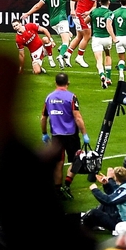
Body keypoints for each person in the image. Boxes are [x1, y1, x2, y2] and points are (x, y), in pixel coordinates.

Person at [41, 72, 91, 200]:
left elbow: (43, 117)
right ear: (67, 83)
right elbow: (77, 117)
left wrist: (44, 133)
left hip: (56, 135)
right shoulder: (71, 97)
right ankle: (67, 185)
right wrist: (85, 134)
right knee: (76, 159)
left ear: (55, 82)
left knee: (58, 163)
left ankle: (57, 190)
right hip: (71, 135)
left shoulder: (49, 98)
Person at [21, 0, 73, 68]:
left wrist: (27, 14)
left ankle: (61, 48)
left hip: (52, 22)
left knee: (69, 35)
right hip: (61, 19)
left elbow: (37, 6)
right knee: (66, 42)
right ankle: (61, 56)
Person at [83, 166, 126, 232]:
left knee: (94, 213)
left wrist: (95, 190)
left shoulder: (125, 190)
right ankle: (93, 221)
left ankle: (83, 226)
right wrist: (106, 184)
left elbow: (108, 200)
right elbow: (114, 196)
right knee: (104, 206)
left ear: (116, 178)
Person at [65, 0, 103, 68]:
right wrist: (72, 10)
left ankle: (67, 54)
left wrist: (89, 12)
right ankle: (79, 57)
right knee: (87, 36)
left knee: (79, 36)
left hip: (86, 16)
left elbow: (94, 6)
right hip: (80, 15)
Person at [87, 0, 114, 89]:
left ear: (99, 3)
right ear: (109, 2)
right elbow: (109, 25)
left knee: (99, 60)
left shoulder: (94, 11)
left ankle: (102, 74)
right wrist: (113, 37)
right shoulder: (110, 13)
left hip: (97, 38)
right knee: (108, 55)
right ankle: (108, 78)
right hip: (107, 38)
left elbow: (86, 21)